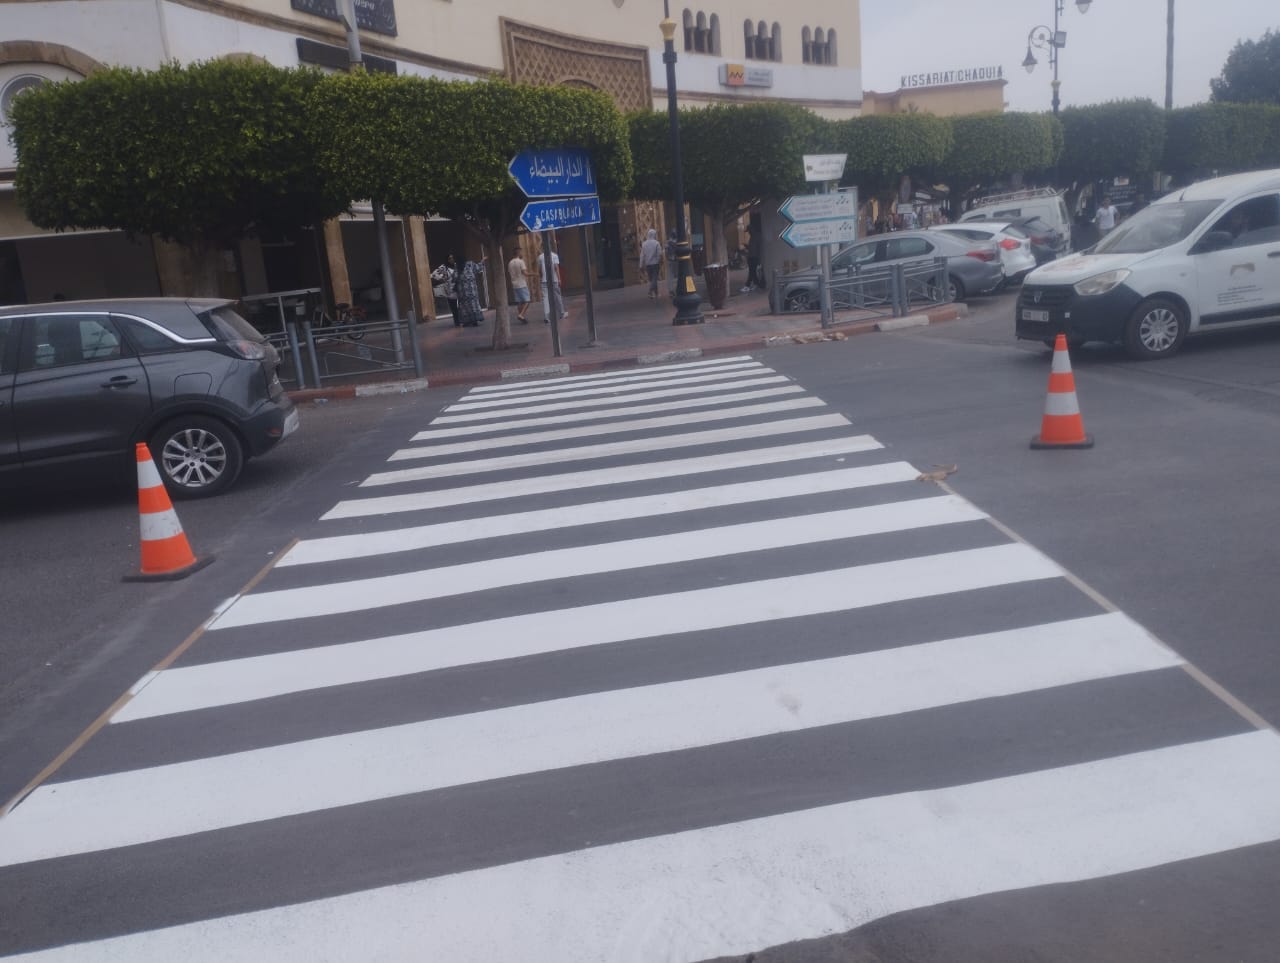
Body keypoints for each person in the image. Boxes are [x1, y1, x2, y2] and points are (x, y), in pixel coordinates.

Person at [538, 242, 567, 322]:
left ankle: (547, 317)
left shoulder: (540, 257)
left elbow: (540, 270)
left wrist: (541, 278)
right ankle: (561, 313)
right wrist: (559, 279)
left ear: (542, 248)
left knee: (545, 299)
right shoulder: (554, 256)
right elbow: (556, 268)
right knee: (557, 297)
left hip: (544, 280)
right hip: (554, 279)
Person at [455, 256, 486, 327]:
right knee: (473, 305)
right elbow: (478, 268)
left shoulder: (457, 267)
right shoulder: (470, 264)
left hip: (462, 292)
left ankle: (467, 321)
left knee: (464, 307)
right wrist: (482, 261)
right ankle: (475, 320)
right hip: (472, 290)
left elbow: (455, 277)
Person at [430, 255, 459, 325]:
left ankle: (462, 319)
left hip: (459, 288)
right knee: (454, 307)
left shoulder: (457, 265)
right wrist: (443, 278)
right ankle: (457, 321)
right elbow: (433, 274)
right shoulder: (444, 267)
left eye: (453, 258)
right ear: (447, 260)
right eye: (450, 258)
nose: (452, 259)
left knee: (461, 306)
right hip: (450, 290)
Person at [507, 249, 532, 323]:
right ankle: (521, 315)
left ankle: (522, 316)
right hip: (522, 284)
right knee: (527, 301)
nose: (522, 254)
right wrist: (535, 274)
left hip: (514, 284)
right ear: (518, 253)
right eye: (521, 252)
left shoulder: (510, 263)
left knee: (519, 302)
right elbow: (525, 273)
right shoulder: (521, 261)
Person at [639, 228, 663, 299]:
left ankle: (656, 293)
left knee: (652, 279)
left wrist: (641, 265)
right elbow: (659, 254)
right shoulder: (656, 243)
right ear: (654, 235)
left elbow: (642, 255)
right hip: (655, 264)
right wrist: (659, 261)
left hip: (648, 264)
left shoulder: (644, 244)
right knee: (654, 279)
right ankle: (650, 292)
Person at [742, 227, 762, 293]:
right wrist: (747, 246)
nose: (748, 233)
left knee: (752, 272)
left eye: (749, 231)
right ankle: (756, 284)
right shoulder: (752, 237)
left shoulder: (756, 237)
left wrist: (759, 259)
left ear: (751, 230)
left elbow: (758, 248)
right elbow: (752, 248)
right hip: (751, 257)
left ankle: (747, 285)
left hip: (754, 257)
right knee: (752, 272)